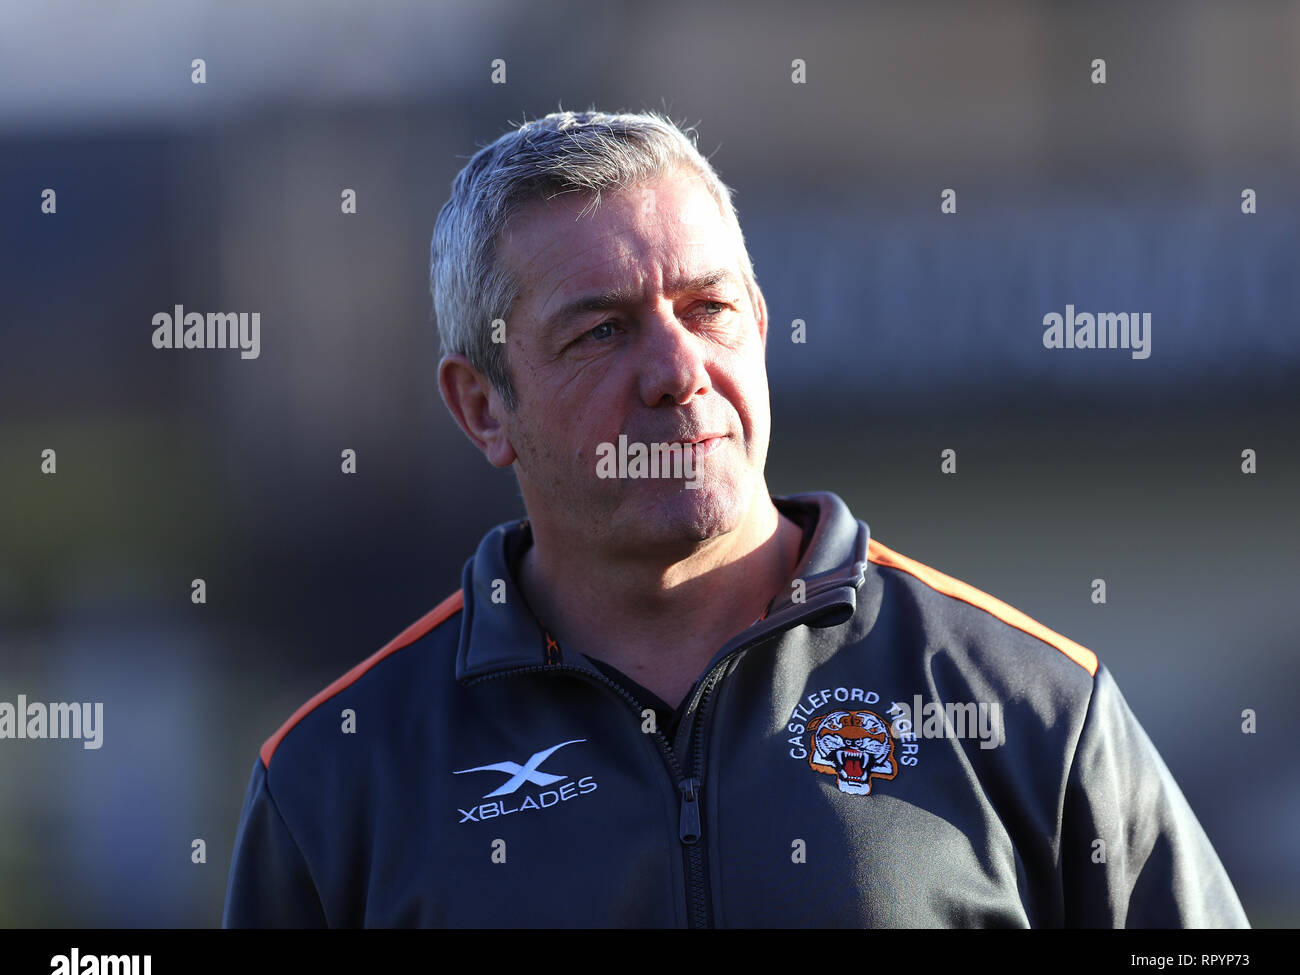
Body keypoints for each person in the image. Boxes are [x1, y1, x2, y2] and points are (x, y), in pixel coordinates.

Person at [222, 109, 1249, 928]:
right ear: (483, 405)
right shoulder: (339, 777)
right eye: (600, 331)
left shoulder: (1033, 710)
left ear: (759, 328)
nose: (676, 371)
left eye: (707, 309)